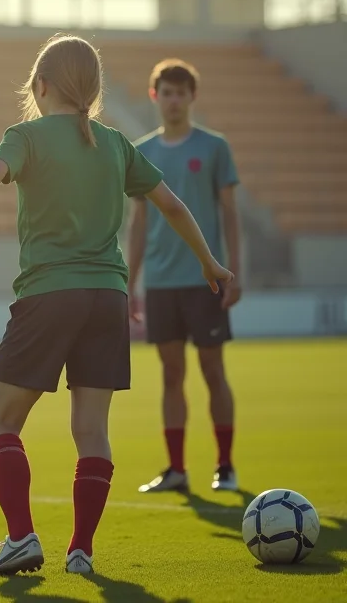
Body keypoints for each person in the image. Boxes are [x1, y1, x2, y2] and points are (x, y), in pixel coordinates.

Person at [0, 35, 234, 577]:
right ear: (93, 90)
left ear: (40, 86)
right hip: (108, 297)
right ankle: (81, 551)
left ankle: (21, 536)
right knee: (91, 429)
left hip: (50, 293)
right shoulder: (116, 143)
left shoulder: (26, 136)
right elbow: (172, 204)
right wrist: (210, 262)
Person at [128, 59, 242, 494]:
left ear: (193, 97)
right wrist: (132, 283)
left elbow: (230, 214)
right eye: (167, 93)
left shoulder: (214, 148)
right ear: (154, 96)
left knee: (213, 369)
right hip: (159, 282)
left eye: (182, 93)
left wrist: (237, 271)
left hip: (205, 279)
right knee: (170, 374)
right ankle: (176, 469)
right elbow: (138, 224)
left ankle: (225, 465)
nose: (174, 101)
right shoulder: (142, 151)